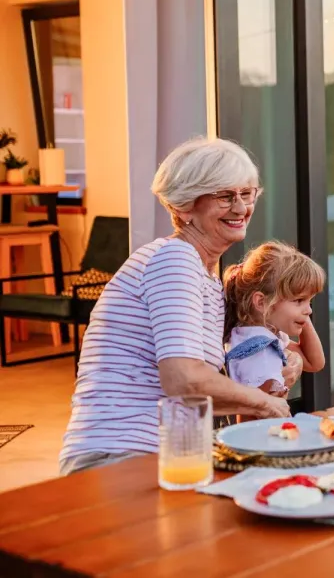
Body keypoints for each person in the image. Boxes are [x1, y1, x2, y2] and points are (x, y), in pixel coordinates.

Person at [59, 138, 296, 475]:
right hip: (120, 458)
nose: (241, 208)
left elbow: (196, 394)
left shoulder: (205, 276)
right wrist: (264, 402)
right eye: (226, 196)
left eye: (248, 194)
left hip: (166, 457)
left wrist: (270, 387)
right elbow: (183, 380)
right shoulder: (174, 259)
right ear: (185, 205)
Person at [223, 241, 326, 395]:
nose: (309, 310)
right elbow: (256, 412)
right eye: (298, 300)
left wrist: (301, 312)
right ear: (261, 302)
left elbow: (314, 362)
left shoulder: (261, 336)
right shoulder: (259, 352)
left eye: (309, 301)